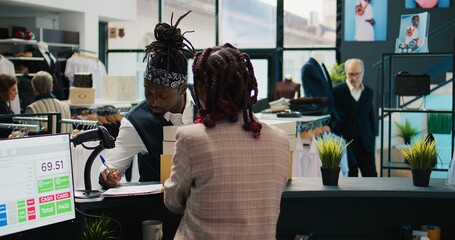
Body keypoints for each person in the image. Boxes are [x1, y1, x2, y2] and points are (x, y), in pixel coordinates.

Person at [164, 43, 290, 239]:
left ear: (202, 90)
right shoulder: (281, 140)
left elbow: (173, 202)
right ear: (247, 85)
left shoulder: (191, 139)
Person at [98, 11, 197, 188]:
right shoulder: (135, 122)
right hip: (156, 211)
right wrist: (108, 175)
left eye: (162, 95)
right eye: (148, 92)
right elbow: (112, 166)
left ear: (182, 89)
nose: (154, 101)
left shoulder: (206, 105)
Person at [332, 58, 377, 177]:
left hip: (366, 143)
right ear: (346, 73)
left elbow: (370, 117)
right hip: (347, 144)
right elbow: (335, 118)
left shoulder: (369, 92)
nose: (354, 78)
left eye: (357, 74)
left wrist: (372, 138)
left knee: (371, 176)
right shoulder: (337, 91)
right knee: (350, 179)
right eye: (350, 74)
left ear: (363, 73)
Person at [0, 73, 17, 138]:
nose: (16, 93)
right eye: (13, 90)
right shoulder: (2, 107)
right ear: (4, 91)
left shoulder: (5, 105)